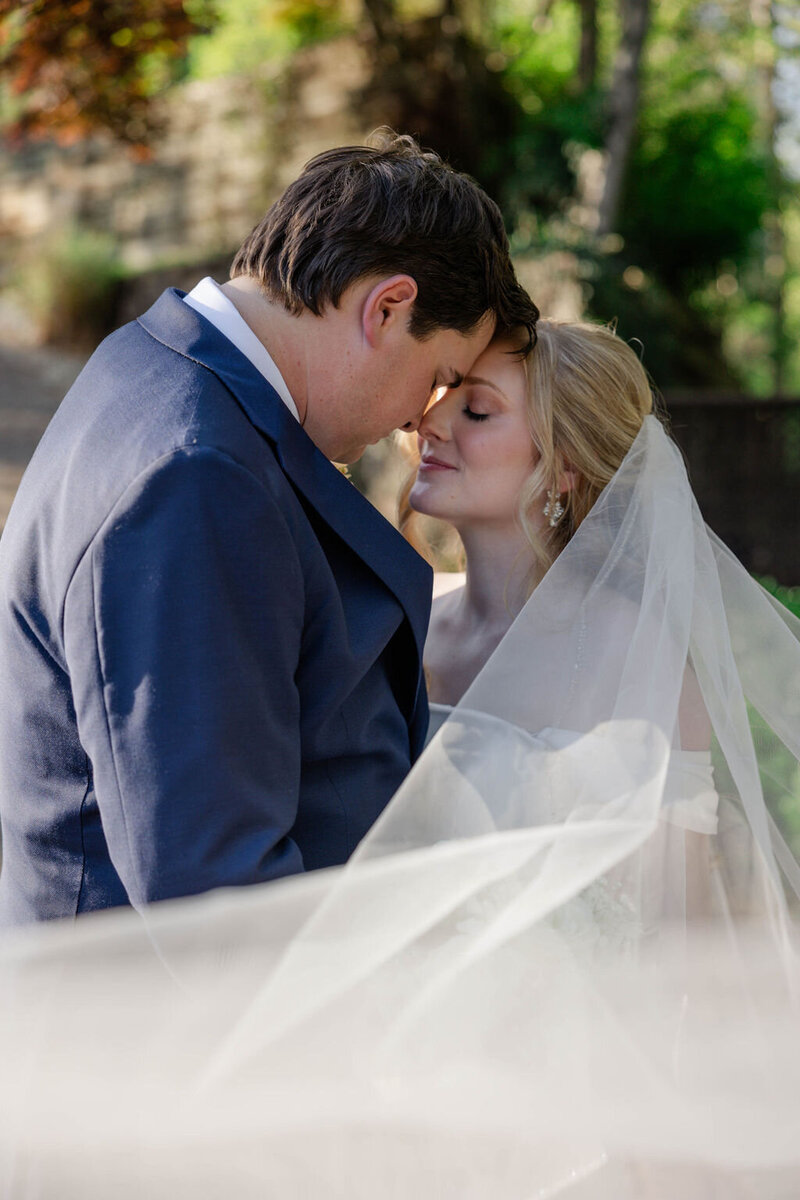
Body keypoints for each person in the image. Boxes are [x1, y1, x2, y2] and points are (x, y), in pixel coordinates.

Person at [1, 320, 800, 1197]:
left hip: (571, 1120)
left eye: (480, 411)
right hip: (384, 1097)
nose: (432, 425)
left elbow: (678, 950)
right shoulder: (396, 634)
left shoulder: (641, 663)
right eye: (440, 400)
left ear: (562, 471)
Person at [0, 131, 539, 927]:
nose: (414, 421)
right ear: (387, 309)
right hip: (167, 1035)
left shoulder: (149, 362)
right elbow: (215, 893)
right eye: (437, 379)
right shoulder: (198, 476)